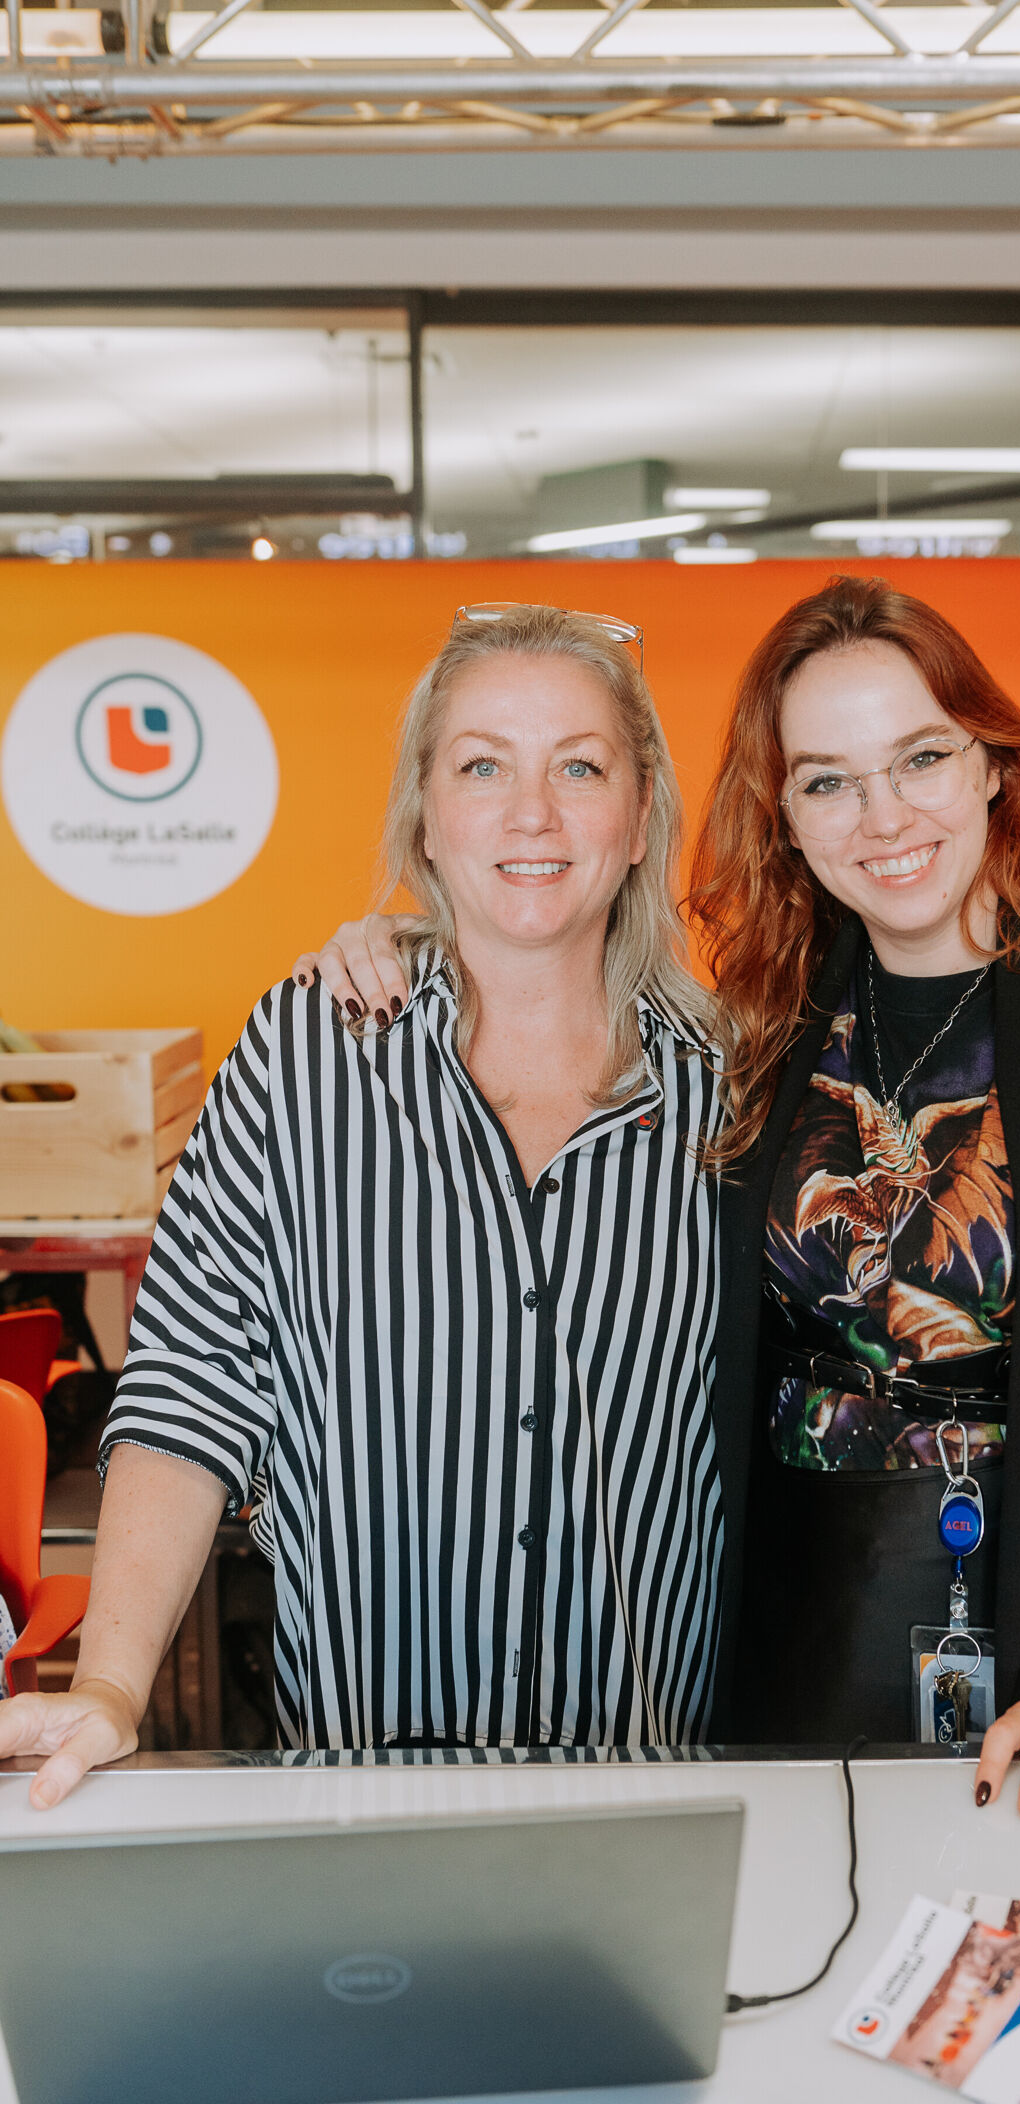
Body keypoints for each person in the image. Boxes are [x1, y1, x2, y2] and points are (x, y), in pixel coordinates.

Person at [276, 576, 1020, 1821]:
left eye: (919, 756)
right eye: (826, 778)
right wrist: (400, 945)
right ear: (784, 814)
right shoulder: (756, 1028)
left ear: (990, 766)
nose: (882, 814)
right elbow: (540, 965)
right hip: (801, 1657)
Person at [0, 602, 734, 1808]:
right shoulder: (307, 1056)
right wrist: (114, 1686)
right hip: (359, 1778)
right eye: (482, 765)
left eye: (580, 767)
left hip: (651, 1785)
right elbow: (189, 1381)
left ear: (641, 814)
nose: (531, 812)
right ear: (427, 817)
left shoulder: (731, 1096)